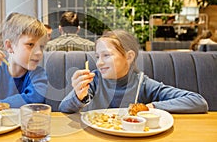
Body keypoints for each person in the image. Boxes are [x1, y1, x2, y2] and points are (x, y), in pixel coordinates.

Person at [59, 30, 208, 113]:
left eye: (106, 55)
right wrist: (78, 96)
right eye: (97, 56)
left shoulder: (143, 84)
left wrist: (151, 107)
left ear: (129, 57)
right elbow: (64, 107)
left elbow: (198, 101)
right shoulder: (94, 80)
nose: (99, 62)